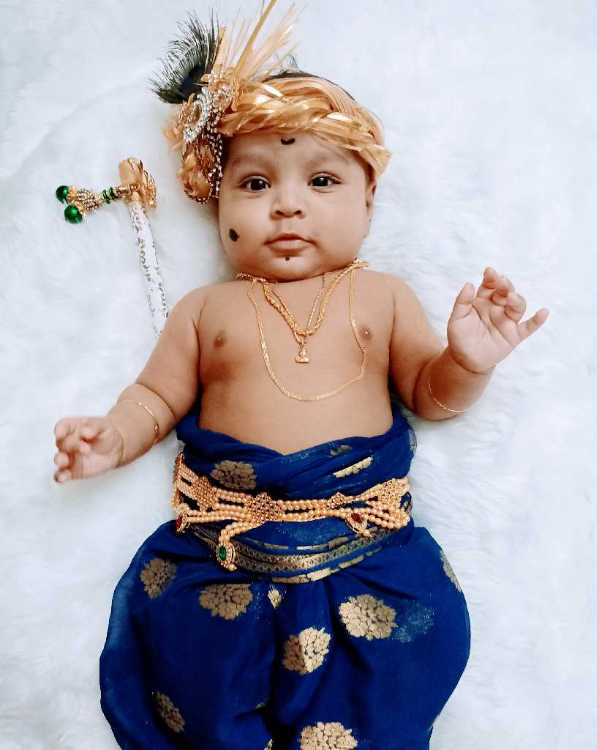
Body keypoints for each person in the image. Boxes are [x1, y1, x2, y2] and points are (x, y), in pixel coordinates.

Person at [52, 3, 549, 748]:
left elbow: (430, 397)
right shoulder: (206, 308)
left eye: (320, 180)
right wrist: (113, 438)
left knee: (397, 671)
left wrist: (465, 363)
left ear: (368, 201)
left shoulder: (381, 296)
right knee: (197, 676)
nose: (287, 205)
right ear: (218, 204)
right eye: (255, 185)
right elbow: (156, 396)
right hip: (228, 553)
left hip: (363, 549)